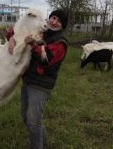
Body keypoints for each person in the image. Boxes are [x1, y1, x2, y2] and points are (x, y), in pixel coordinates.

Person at [7, 9, 68, 149]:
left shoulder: (61, 43)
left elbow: (45, 60)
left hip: (40, 86)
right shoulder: (42, 32)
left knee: (34, 122)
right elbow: (19, 34)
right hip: (28, 81)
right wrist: (11, 35)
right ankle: (44, 144)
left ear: (62, 26)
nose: (54, 21)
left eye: (58, 21)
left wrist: (33, 44)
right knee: (27, 118)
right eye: (53, 17)